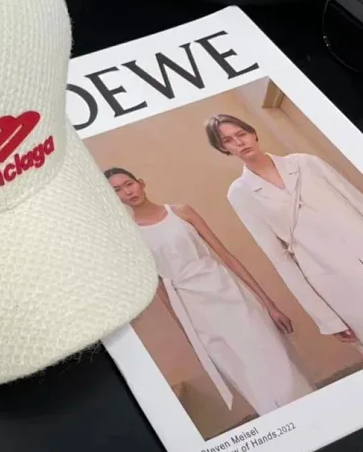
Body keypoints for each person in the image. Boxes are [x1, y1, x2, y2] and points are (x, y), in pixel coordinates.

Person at [106, 167, 313, 415]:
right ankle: (279, 422)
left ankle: (309, 409)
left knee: (269, 353)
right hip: (191, 307)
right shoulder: (131, 236)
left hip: (226, 290)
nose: (127, 192)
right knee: (239, 368)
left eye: (129, 184)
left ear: (140, 183)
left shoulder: (181, 212)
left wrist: (269, 305)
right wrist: (188, 333)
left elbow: (226, 256)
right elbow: (159, 286)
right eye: (117, 190)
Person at [206, 113, 363, 345]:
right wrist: (326, 319)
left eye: (241, 134)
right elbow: (278, 257)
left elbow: (357, 201)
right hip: (332, 276)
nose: (239, 142)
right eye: (228, 140)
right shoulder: (240, 193)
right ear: (223, 149)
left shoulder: (306, 163)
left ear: (253, 134)